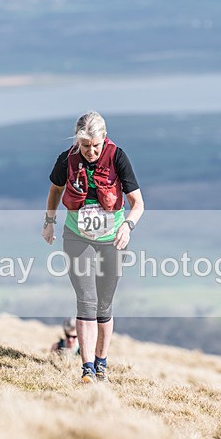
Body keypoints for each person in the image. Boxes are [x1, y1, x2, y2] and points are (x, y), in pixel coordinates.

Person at [42, 111, 144, 383]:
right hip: (77, 237)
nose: (90, 151)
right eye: (84, 145)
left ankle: (101, 364)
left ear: (104, 138)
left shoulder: (118, 157)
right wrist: (49, 222)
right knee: (86, 301)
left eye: (95, 145)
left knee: (104, 305)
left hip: (112, 240)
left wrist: (127, 226)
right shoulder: (67, 159)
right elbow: (55, 190)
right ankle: (86, 369)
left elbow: (138, 204)